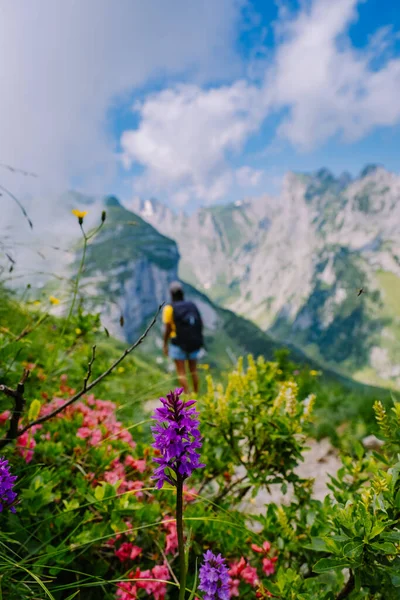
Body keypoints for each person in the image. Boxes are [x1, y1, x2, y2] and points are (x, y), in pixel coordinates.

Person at [162, 281, 204, 394]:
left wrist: (165, 344)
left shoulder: (169, 309)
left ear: (171, 294)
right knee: (193, 371)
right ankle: (196, 395)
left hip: (177, 343)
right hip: (194, 342)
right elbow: (200, 323)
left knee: (181, 372)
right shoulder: (192, 305)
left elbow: (167, 329)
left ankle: (187, 396)